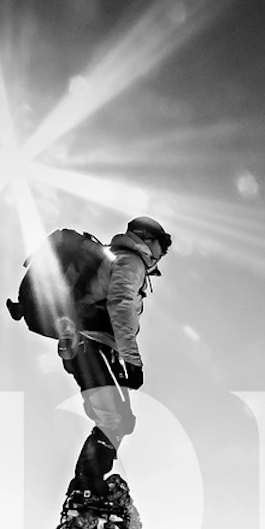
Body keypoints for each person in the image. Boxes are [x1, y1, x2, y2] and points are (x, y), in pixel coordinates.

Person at [61, 214, 171, 508]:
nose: (164, 252)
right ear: (147, 239)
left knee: (118, 418)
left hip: (87, 345)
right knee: (115, 418)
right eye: (164, 243)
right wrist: (133, 362)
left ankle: (87, 487)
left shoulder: (120, 258)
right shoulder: (131, 260)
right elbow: (120, 305)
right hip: (90, 343)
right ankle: (85, 490)